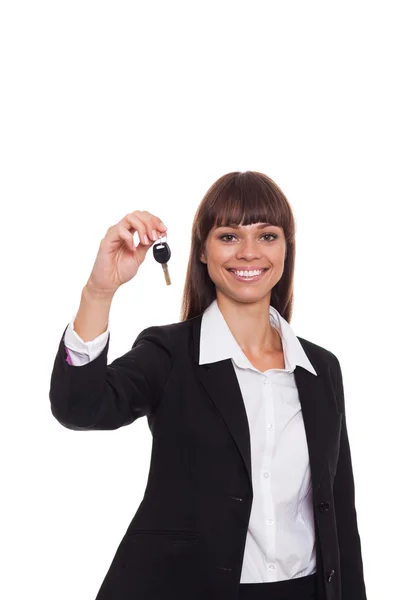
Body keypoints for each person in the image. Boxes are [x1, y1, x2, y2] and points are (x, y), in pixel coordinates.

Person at [49, 170, 367, 600]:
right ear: (202, 250)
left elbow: (339, 519)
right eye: (229, 237)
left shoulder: (321, 369)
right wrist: (99, 291)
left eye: (268, 236)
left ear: (287, 248)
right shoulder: (170, 354)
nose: (250, 253)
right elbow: (79, 407)